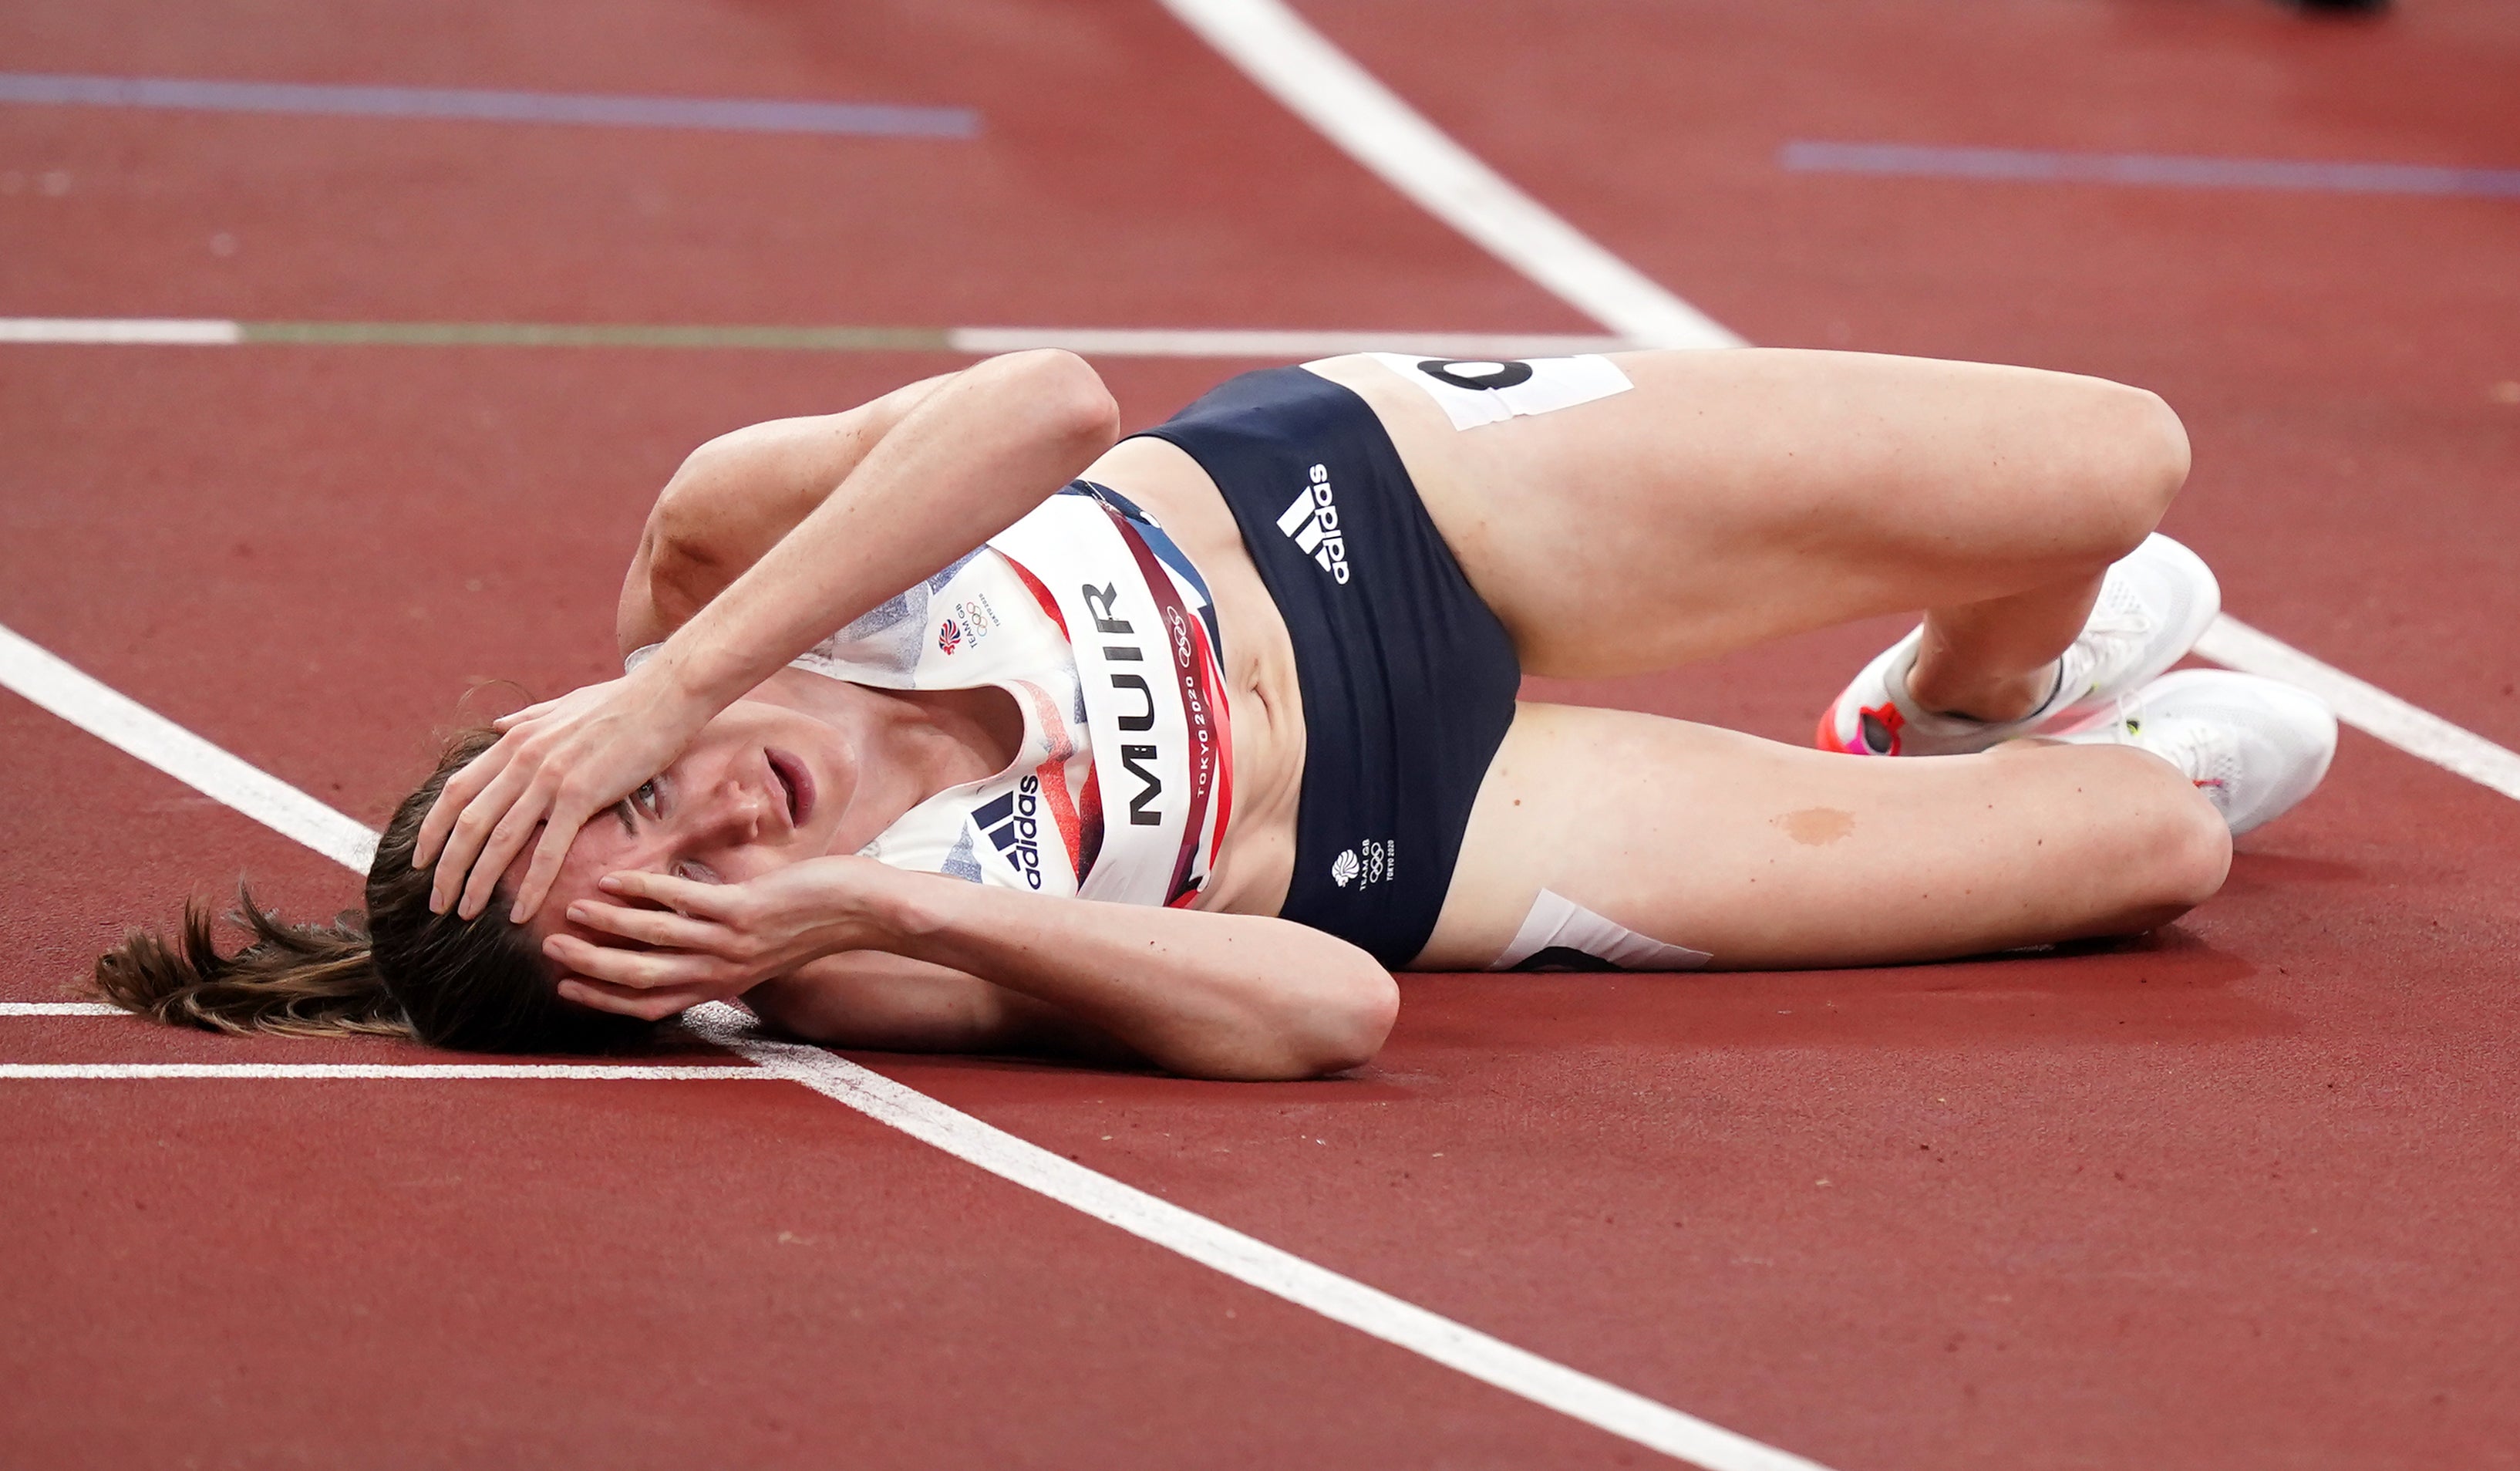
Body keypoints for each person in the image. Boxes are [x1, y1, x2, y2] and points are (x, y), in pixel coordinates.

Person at [94, 348, 2337, 1079]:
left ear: (556, 730)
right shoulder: (854, 948)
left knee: (2111, 464)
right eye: (689, 886)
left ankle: (1973, 685)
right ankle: (1940, 781)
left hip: (1395, 503)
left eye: (636, 792)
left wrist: (669, 684)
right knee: (2160, 854)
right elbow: (1329, 1008)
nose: (714, 814)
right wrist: (883, 912)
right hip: (1434, 820)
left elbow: (1053, 402)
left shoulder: (703, 582)